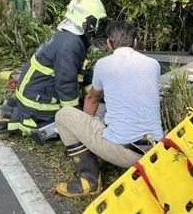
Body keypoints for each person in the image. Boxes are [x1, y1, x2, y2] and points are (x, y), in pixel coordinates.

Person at [54, 21, 164, 197]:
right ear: (135, 42)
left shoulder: (104, 64)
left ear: (109, 43)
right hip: (156, 149)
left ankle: (89, 181)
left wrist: (84, 132)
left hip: (125, 153)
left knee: (63, 115)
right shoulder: (153, 64)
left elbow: (92, 98)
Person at [0, 0, 107, 136]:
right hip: (37, 102)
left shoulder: (69, 37)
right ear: (89, 21)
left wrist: (101, 94)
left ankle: (13, 106)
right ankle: (9, 122)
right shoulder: (70, 46)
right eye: (98, 21)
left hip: (37, 92)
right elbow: (66, 84)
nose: (98, 26)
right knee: (57, 129)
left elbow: (83, 72)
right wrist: (73, 119)